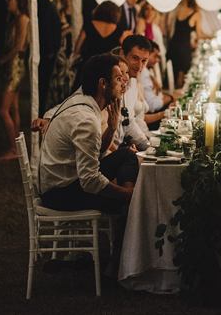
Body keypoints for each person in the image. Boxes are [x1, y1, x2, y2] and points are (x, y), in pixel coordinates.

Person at [38, 54, 139, 280]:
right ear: (103, 83)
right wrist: (126, 193)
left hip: (67, 182)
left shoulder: (82, 103)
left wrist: (111, 129)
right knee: (124, 202)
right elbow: (90, 180)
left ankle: (120, 254)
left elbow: (93, 156)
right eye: (117, 77)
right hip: (61, 193)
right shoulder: (85, 119)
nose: (123, 81)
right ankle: (120, 260)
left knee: (126, 156)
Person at [0, 0, 30, 161]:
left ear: (19, 0)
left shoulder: (23, 19)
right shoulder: (13, 19)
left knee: (3, 110)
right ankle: (16, 146)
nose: (7, 0)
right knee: (14, 107)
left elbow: (19, 46)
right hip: (11, 66)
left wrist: (3, 60)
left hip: (15, 67)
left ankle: (13, 148)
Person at [74, 1, 123, 90]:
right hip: (108, 69)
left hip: (87, 66)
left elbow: (77, 48)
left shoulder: (88, 25)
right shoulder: (119, 30)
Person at [166, 0, 209, 88]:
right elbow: (200, 34)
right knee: (181, 78)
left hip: (173, 44)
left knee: (172, 74)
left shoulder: (180, 9)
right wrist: (211, 36)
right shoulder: (196, 13)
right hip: (184, 47)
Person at [47, 0, 76, 109]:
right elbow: (56, 33)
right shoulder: (60, 13)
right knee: (58, 81)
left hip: (72, 51)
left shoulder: (77, 15)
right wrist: (69, 29)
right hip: (61, 51)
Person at [37, 0, 63, 116]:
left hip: (50, 51)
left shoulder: (48, 2)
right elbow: (46, 27)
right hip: (47, 52)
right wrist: (50, 50)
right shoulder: (44, 2)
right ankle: (40, 112)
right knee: (43, 84)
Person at [139, 41, 175, 129]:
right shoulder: (143, 74)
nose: (158, 60)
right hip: (149, 120)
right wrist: (170, 98)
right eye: (155, 56)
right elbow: (152, 104)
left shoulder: (147, 72)